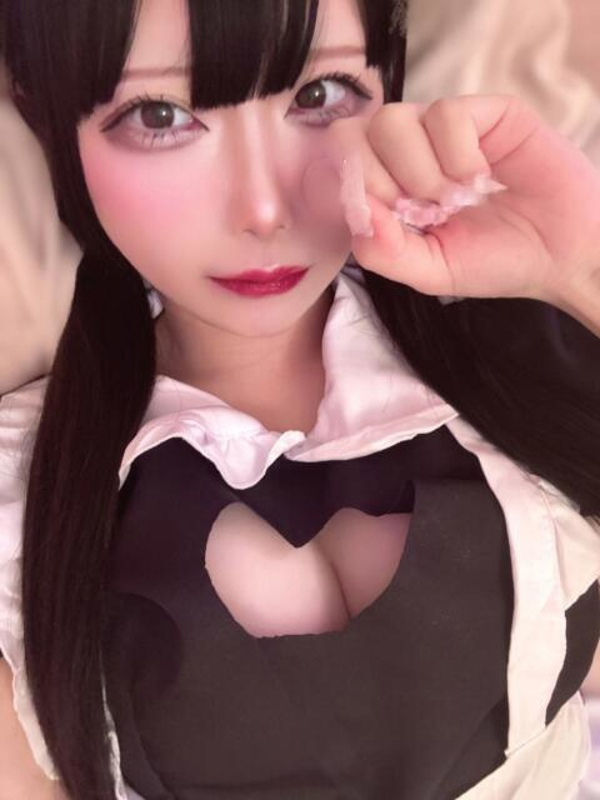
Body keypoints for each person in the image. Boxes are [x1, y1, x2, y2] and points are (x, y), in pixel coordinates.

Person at [0, 1, 599, 799]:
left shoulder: (513, 337)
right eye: (159, 115)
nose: (264, 209)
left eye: (320, 95)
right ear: (52, 127)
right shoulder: (23, 497)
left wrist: (582, 268)